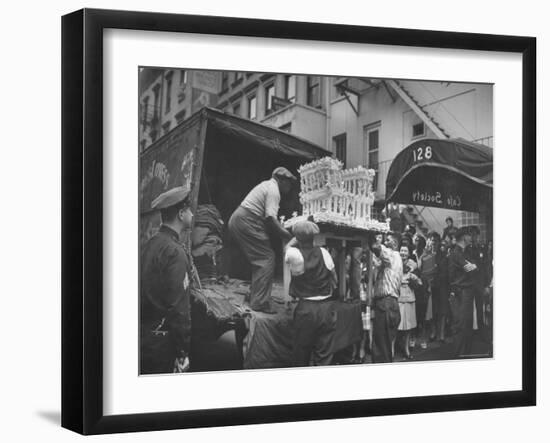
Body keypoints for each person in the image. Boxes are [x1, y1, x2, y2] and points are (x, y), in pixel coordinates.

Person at [140, 186, 195, 374]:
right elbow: (179, 310)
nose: (192, 214)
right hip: (162, 346)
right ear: (181, 214)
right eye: (189, 210)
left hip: (144, 337)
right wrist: (182, 352)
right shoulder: (175, 253)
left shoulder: (151, 243)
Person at [228, 167, 296, 313]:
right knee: (266, 258)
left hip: (241, 219)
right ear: (281, 180)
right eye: (288, 183)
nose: (289, 187)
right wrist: (288, 236)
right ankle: (259, 302)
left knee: (259, 259)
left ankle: (255, 295)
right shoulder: (273, 190)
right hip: (246, 220)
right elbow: (271, 219)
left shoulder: (267, 185)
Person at [284, 220, 338, 366]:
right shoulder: (324, 252)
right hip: (326, 307)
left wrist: (295, 239)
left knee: (301, 354)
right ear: (314, 236)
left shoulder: (294, 255)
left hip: (306, 309)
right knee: (324, 354)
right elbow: (334, 278)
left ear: (297, 238)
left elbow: (286, 248)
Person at [368, 232, 402, 363]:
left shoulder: (393, 255)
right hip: (389, 304)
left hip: (386, 303)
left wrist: (368, 233)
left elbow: (376, 247)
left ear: (394, 243)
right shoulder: (390, 260)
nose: (384, 242)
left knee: (381, 346)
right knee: (384, 345)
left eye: (387, 240)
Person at [448, 227, 479, 358]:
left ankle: (463, 354)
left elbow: (475, 266)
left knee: (465, 326)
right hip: (461, 294)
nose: (471, 237)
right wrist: (475, 267)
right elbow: (470, 269)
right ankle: (459, 356)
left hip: (465, 293)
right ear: (464, 237)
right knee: (461, 326)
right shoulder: (457, 253)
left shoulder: (465, 252)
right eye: (469, 235)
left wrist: (475, 266)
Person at [397, 242, 420, 359]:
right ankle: (393, 348)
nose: (403, 253)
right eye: (401, 250)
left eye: (405, 251)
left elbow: (418, 282)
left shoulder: (413, 265)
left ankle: (406, 348)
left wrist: (413, 278)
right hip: (398, 296)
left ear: (409, 253)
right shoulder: (395, 263)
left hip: (409, 296)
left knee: (408, 326)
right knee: (397, 324)